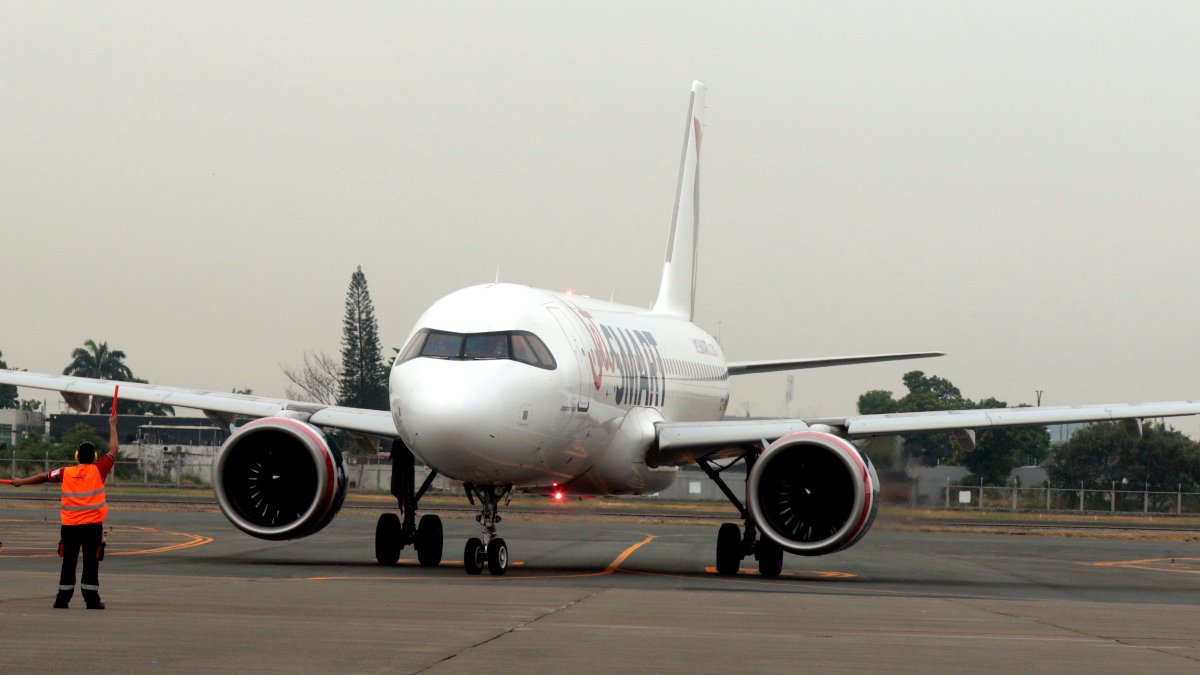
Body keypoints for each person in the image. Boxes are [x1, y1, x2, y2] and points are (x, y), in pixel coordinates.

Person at [9, 414, 118, 609]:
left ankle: (62, 600)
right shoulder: (98, 470)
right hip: (92, 527)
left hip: (70, 527)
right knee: (91, 563)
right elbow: (114, 449)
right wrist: (112, 425)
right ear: (94, 458)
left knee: (68, 562)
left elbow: (43, 477)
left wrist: (21, 482)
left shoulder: (65, 472)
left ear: (76, 457)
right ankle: (92, 601)